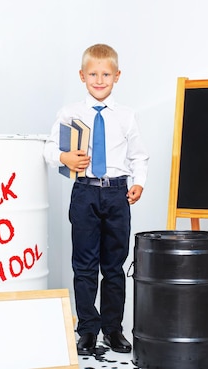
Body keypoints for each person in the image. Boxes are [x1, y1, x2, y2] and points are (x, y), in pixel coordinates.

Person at [43, 44, 149, 355]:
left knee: (114, 267)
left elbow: (139, 156)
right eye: (93, 74)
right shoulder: (70, 113)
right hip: (85, 193)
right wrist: (64, 155)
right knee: (85, 266)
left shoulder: (127, 116)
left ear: (117, 76)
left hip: (117, 193)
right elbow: (49, 149)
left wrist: (139, 184)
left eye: (106, 74)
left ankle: (113, 330)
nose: (99, 80)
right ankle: (87, 329)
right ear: (82, 75)